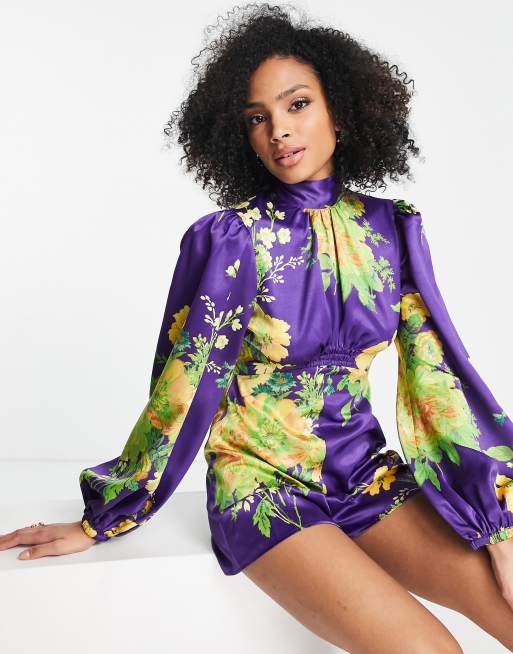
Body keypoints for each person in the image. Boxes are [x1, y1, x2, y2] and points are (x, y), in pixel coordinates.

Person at [2, 4, 513, 652]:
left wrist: (498, 521)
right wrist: (107, 515)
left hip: (364, 475)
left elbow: (439, 379)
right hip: (260, 486)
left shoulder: (393, 228)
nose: (279, 130)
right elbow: (183, 387)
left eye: (297, 105)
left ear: (340, 111)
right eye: (257, 118)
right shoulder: (231, 239)